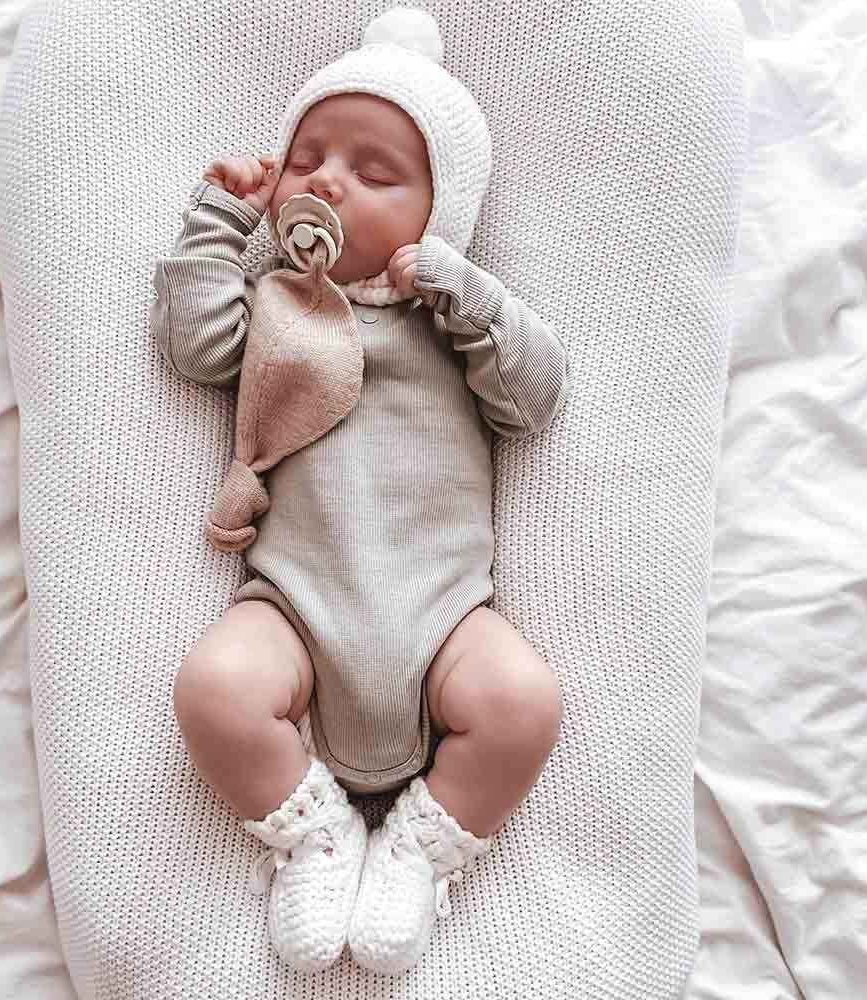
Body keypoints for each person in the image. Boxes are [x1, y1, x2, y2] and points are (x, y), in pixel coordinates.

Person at [150, 6, 568, 976]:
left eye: (375, 173)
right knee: (215, 690)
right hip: (293, 603)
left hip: (446, 612)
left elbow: (532, 400)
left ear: (440, 211)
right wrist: (221, 220)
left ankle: (424, 842)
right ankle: (313, 832)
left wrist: (468, 291)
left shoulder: (451, 322)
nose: (328, 182)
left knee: (522, 701)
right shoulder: (283, 311)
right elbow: (194, 343)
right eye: (309, 160)